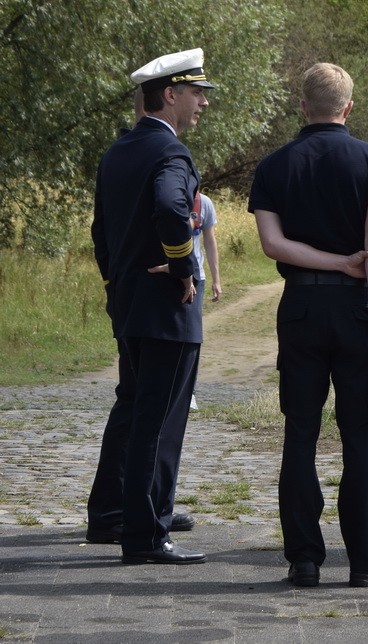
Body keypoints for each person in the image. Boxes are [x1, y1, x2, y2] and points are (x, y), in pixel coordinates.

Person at [248, 62, 368, 589]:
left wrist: (327, 262)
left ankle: (304, 559)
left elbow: (273, 245)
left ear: (302, 106)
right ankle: (365, 562)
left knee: (300, 435)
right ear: (349, 107)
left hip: (299, 311)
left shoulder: (274, 165)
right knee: (361, 438)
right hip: (356, 312)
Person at [89, 48, 214, 565]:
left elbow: (102, 233)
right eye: (196, 93)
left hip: (130, 301)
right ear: (170, 94)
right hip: (165, 306)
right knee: (159, 420)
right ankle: (146, 533)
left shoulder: (119, 150)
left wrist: (117, 281)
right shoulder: (171, 154)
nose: (202, 104)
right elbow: (169, 208)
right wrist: (183, 266)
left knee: (134, 406)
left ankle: (115, 514)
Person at [188, 192, 222, 410]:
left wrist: (216, 279)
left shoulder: (204, 203)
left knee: (192, 335)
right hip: (161, 275)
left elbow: (209, 241)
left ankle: (189, 392)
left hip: (195, 277)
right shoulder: (161, 197)